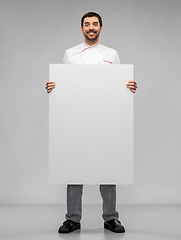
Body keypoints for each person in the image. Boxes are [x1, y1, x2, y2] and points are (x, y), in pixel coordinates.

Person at [46, 12, 137, 234]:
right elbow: (65, 84)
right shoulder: (71, 53)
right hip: (77, 118)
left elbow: (117, 83)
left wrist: (128, 86)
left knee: (108, 168)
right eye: (87, 24)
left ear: (101, 28)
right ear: (81, 28)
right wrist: (53, 87)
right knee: (74, 168)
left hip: (105, 117)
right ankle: (72, 219)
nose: (91, 28)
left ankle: (111, 218)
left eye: (95, 24)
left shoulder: (111, 54)